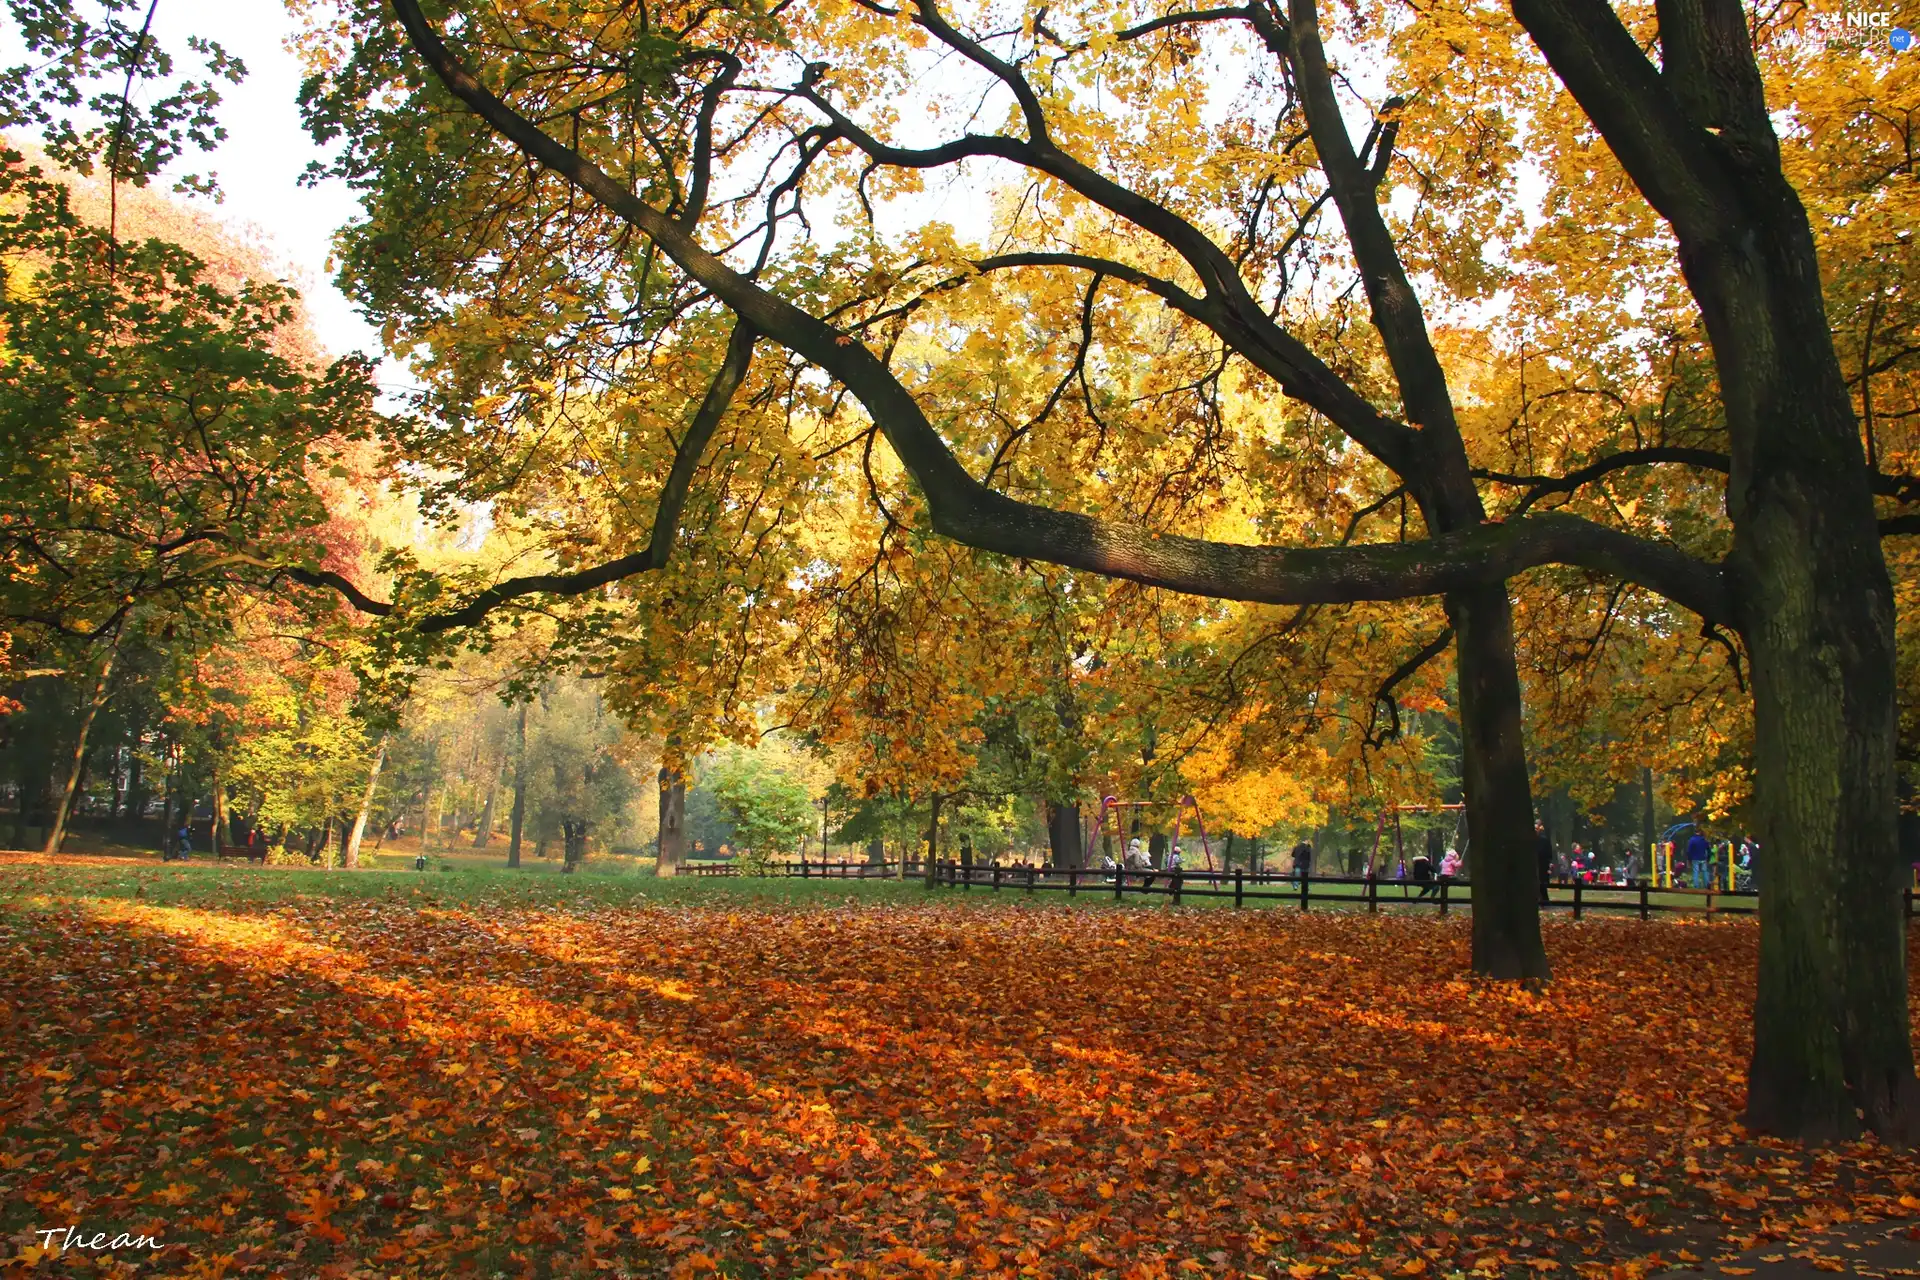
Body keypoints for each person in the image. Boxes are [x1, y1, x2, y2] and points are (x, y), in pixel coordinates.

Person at [1534, 821, 1554, 905]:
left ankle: (1544, 901)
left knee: (1542, 884)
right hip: (1534, 865)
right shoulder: (1529, 840)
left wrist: (1548, 864)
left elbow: (1549, 854)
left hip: (1542, 865)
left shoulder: (1544, 840)